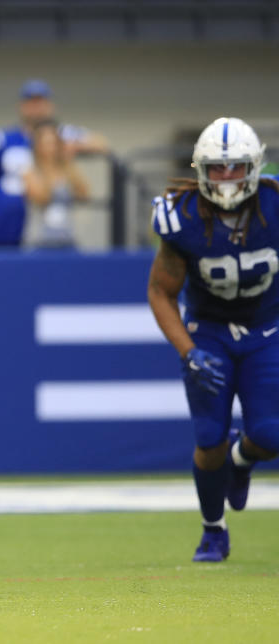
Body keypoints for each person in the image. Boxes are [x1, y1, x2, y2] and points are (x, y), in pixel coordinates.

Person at [146, 117, 279, 563]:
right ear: (200, 169)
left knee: (270, 434)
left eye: (235, 167)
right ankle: (213, 530)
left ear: (254, 167)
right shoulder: (181, 215)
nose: (225, 178)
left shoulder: (275, 205)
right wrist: (189, 351)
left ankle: (242, 460)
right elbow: (161, 291)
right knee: (209, 440)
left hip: (267, 330)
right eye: (216, 168)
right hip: (210, 333)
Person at [0, 79, 107, 247]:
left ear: (50, 105)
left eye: (41, 102)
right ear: (21, 106)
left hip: (51, 231)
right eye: (31, 102)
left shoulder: (62, 135)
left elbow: (100, 143)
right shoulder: (2, 138)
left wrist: (68, 148)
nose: (36, 109)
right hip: (4, 225)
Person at [22, 120, 90, 248]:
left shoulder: (66, 169)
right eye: (46, 143)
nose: (51, 148)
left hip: (67, 236)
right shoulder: (30, 170)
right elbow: (41, 198)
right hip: (39, 240)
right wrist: (49, 168)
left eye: (54, 143)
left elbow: (84, 194)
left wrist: (68, 162)